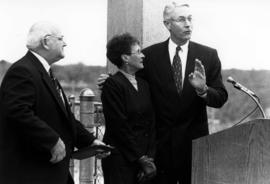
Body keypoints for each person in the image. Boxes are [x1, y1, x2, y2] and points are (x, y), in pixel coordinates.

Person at [98, 2, 228, 184]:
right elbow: (131, 82)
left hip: (194, 148)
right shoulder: (149, 55)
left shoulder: (208, 55)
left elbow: (221, 97)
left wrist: (203, 89)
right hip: (158, 150)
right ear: (167, 24)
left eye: (190, 19)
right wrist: (111, 80)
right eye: (181, 19)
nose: (188, 24)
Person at [0, 21, 107, 184]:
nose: (65, 43)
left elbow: (65, 117)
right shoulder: (23, 71)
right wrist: (52, 140)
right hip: (32, 172)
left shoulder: (45, 72)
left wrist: (91, 141)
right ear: (46, 41)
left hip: (53, 171)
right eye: (61, 38)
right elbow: (17, 112)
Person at [101, 33, 156, 184]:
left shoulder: (144, 85)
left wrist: (149, 158)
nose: (143, 55)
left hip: (145, 162)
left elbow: (151, 122)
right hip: (121, 161)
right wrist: (141, 158)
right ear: (125, 58)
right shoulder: (112, 85)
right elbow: (119, 126)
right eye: (138, 52)